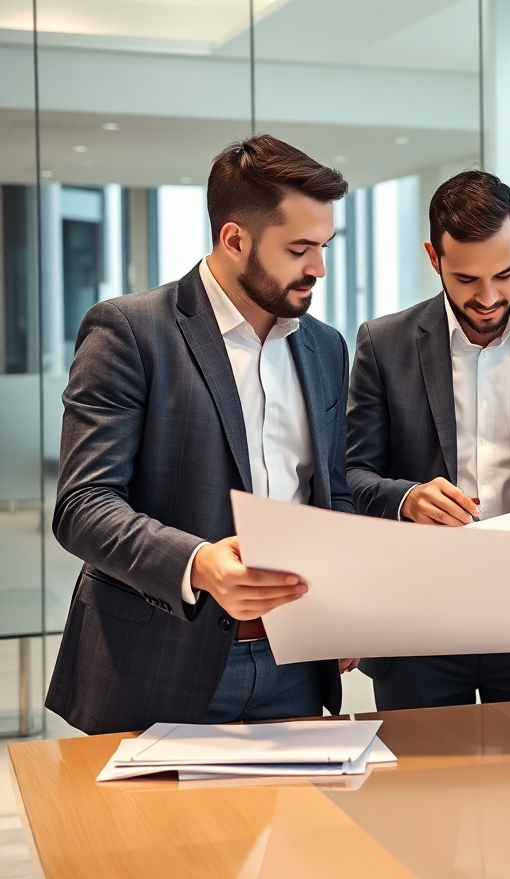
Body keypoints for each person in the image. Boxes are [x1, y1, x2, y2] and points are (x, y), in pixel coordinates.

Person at [46, 135, 356, 735]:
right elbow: (83, 506)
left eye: (324, 246)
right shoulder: (130, 331)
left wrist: (344, 601)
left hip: (295, 663)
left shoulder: (325, 347)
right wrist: (198, 563)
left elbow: (331, 495)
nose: (318, 268)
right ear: (234, 239)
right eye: (299, 249)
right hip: (157, 665)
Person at [346, 170, 510, 711]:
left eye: (505, 274)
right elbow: (349, 475)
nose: (488, 297)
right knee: (421, 767)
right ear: (433, 257)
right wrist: (406, 498)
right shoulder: (382, 344)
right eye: (466, 279)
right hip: (415, 622)